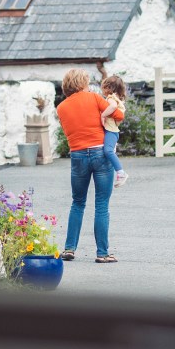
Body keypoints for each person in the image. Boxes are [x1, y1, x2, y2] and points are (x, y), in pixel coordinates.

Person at [56, 69, 124, 263]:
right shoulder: (94, 98)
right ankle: (102, 253)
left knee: (77, 203)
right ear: (83, 83)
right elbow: (119, 115)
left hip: (77, 155)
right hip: (101, 154)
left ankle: (69, 249)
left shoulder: (61, 107)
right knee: (101, 205)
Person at [99, 75, 129, 187]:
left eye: (104, 87)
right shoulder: (117, 98)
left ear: (109, 88)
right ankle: (118, 173)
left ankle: (121, 172)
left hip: (111, 131)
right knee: (108, 151)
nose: (103, 90)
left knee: (108, 151)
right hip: (113, 131)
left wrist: (103, 115)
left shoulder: (111, 98)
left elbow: (112, 107)